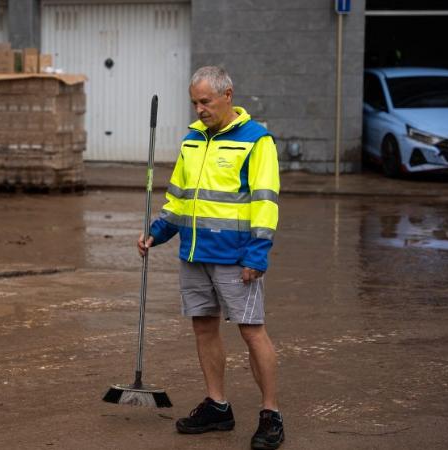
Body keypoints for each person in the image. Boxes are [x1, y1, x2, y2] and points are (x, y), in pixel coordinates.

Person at [137, 66, 283, 450]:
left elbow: (265, 203)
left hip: (237, 256)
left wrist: (258, 253)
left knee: (251, 331)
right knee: (204, 328)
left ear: (227, 94)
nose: (199, 109)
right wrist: (157, 232)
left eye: (206, 101)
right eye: (194, 102)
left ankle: (271, 414)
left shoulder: (257, 140)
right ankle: (218, 406)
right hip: (194, 253)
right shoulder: (192, 139)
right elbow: (179, 199)